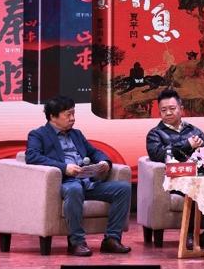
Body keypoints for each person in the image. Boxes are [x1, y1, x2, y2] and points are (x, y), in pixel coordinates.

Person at [25, 95, 131, 257]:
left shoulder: (76, 134)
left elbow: (94, 152)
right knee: (74, 189)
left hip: (87, 181)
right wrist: (64, 168)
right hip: (66, 182)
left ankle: (111, 239)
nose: (72, 118)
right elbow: (32, 156)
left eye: (73, 113)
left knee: (123, 189)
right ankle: (77, 242)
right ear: (53, 116)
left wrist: (104, 162)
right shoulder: (38, 135)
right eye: (68, 114)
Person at [146, 88, 204, 250]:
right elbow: (158, 154)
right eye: (163, 110)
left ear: (181, 109)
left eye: (172, 108)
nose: (168, 113)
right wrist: (187, 145)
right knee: (194, 187)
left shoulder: (194, 130)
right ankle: (189, 235)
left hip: (201, 176)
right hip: (175, 181)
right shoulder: (155, 134)